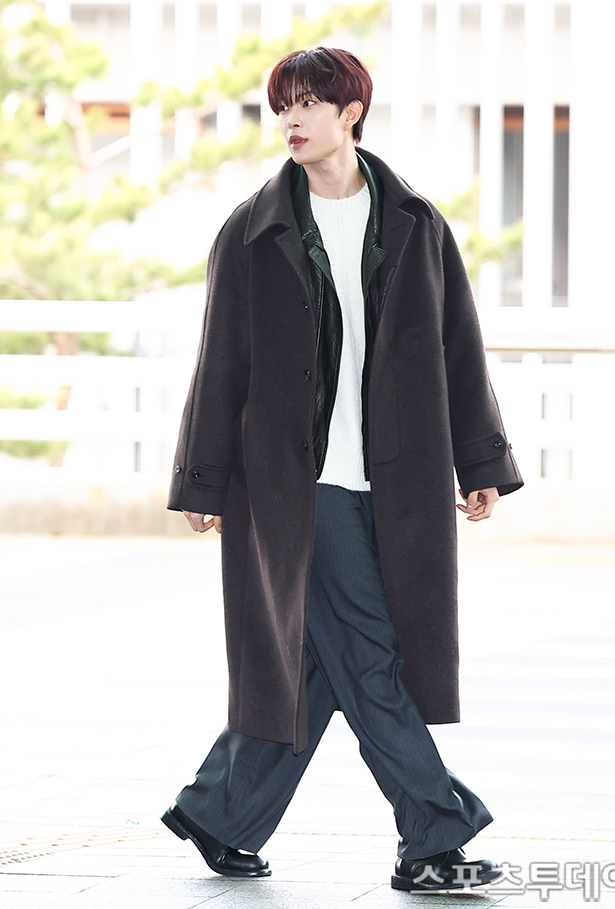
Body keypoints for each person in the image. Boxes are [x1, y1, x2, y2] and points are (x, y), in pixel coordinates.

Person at [161, 46, 523, 893]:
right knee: (370, 654)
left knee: (319, 663)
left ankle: (221, 812)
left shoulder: (416, 223)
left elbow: (458, 349)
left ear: (350, 111)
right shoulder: (251, 232)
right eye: (282, 105)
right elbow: (220, 361)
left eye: (308, 104)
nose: (290, 120)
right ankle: (432, 836)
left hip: (393, 482)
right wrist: (202, 476)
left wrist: (479, 459)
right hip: (293, 486)